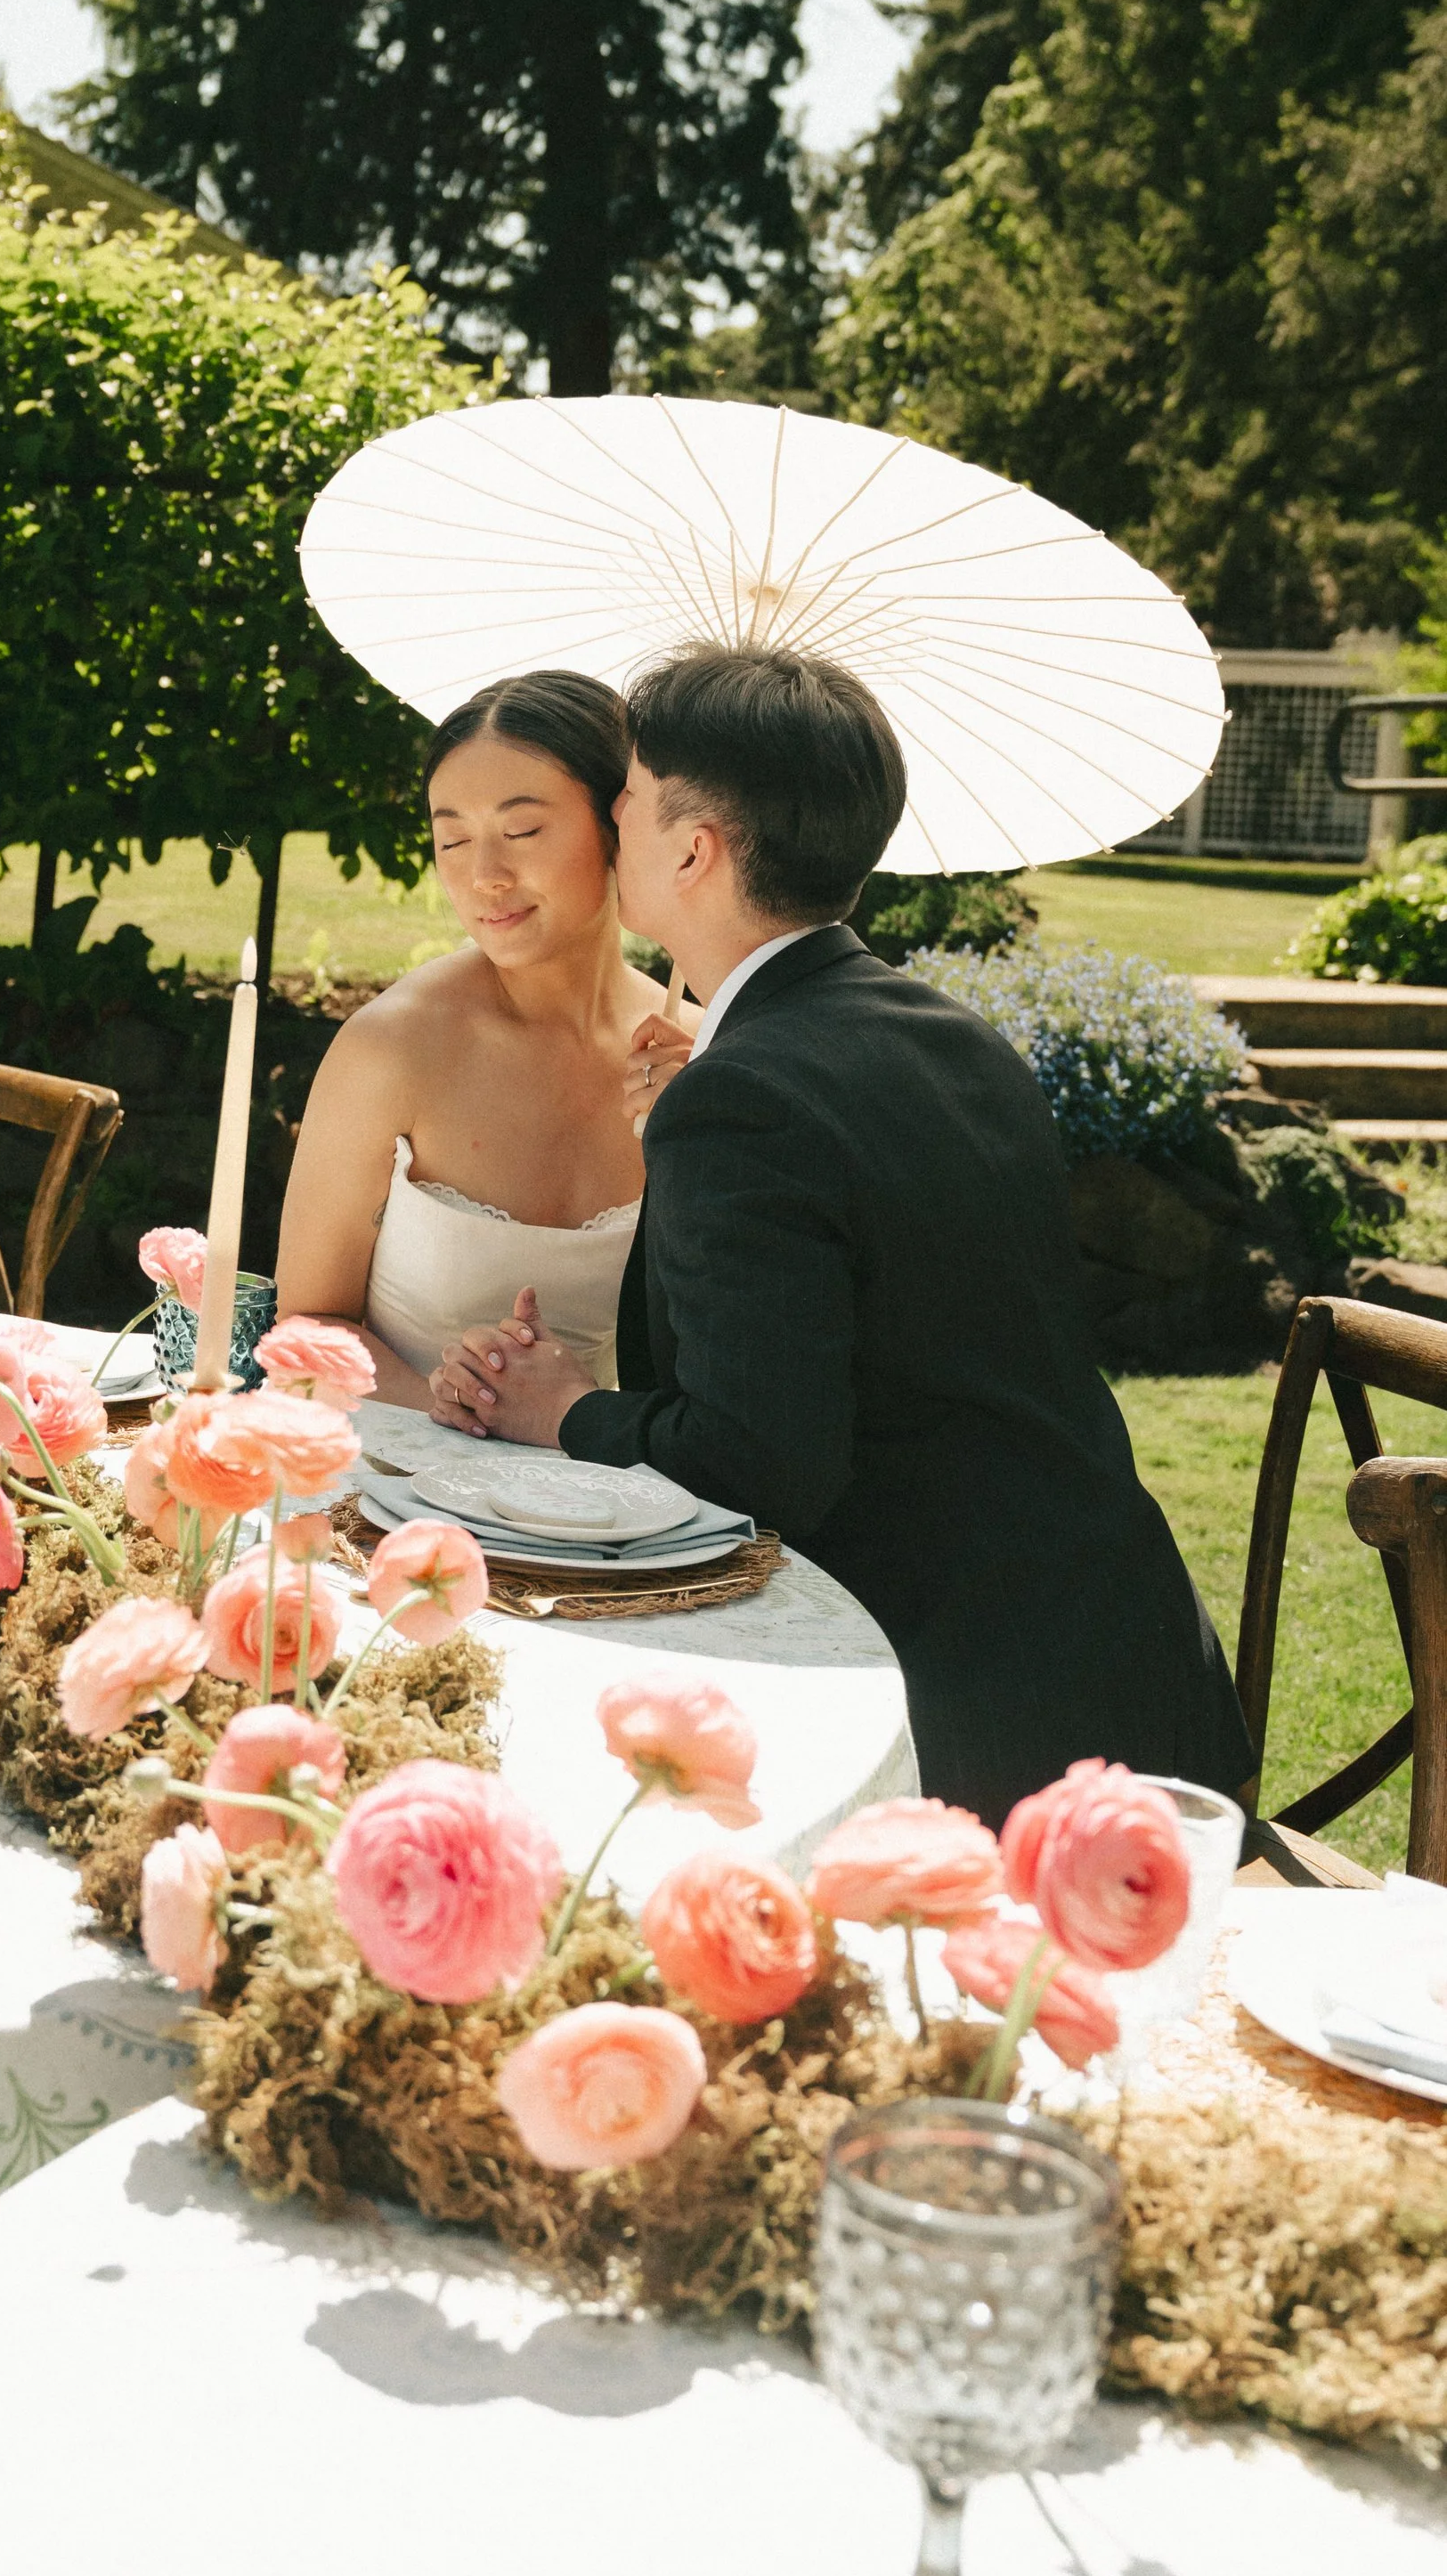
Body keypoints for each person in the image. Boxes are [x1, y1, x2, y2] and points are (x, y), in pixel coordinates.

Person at [439, 640, 1254, 1823]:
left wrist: (558, 1407)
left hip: (965, 1731)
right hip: (1142, 1673)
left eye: (624, 795)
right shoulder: (947, 1033)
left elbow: (759, 1461)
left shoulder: (744, 1097)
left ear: (691, 847)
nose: (605, 824)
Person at [275, 670, 668, 1411]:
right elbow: (309, 1329)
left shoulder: (697, 1055)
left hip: (613, 1495)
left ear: (619, 826)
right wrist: (450, 1406)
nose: (484, 876)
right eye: (452, 838)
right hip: (393, 1487)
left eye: (522, 831)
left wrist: (693, 1140)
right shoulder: (391, 1049)